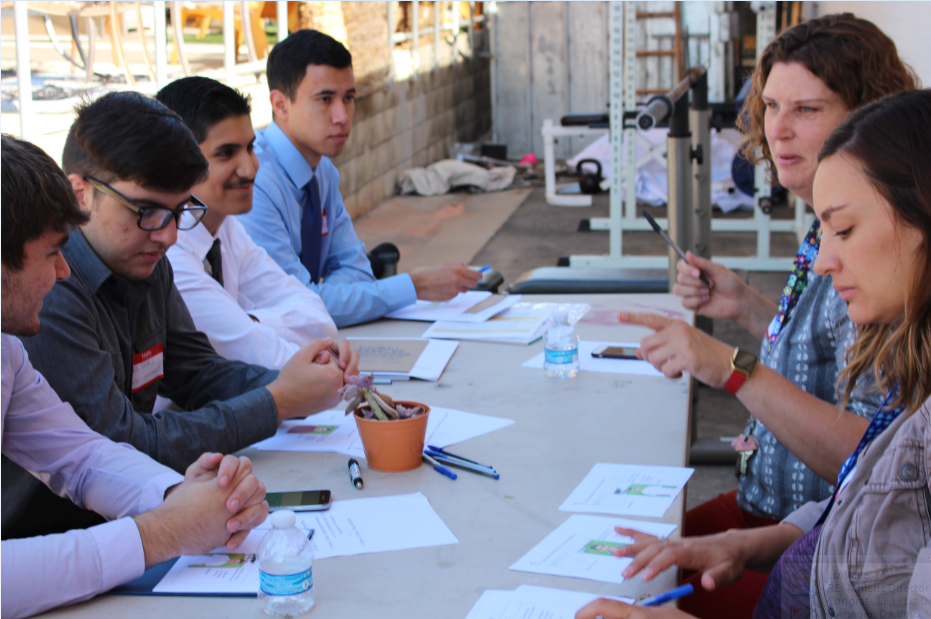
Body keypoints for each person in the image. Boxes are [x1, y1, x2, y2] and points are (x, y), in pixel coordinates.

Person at [578, 88, 931, 619]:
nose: (777, 129)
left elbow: (859, 466)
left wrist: (731, 368)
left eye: (847, 229)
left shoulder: (881, 317)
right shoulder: (908, 341)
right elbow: (866, 493)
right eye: (771, 106)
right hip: (786, 547)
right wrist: (747, 545)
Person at [3, 92, 356, 540]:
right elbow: (119, 440)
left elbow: (194, 374)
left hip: (117, 524)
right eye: (147, 211)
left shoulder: (146, 259)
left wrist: (304, 378)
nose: (169, 235)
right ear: (81, 194)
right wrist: (279, 400)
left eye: (179, 211)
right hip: (51, 538)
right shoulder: (46, 297)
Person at [0, 134, 269, 619]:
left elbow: (78, 455)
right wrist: (162, 531)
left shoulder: (6, 349)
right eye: (49, 254)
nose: (63, 272)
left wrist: (181, 496)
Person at [238, 29, 482, 328]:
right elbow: (293, 305)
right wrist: (412, 287)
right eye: (325, 99)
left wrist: (327, 299)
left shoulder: (323, 171)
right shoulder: (254, 181)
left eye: (349, 97)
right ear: (280, 104)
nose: (342, 115)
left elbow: (356, 270)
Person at [156, 76, 338, 369]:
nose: (250, 167)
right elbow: (259, 358)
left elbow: (321, 321)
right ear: (178, 162)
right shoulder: (169, 251)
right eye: (226, 153)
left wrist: (252, 322)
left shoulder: (226, 229)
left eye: (250, 147)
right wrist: (256, 330)